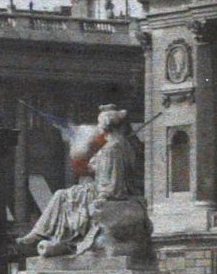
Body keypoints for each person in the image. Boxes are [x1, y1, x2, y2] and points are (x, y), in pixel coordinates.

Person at [19, 106, 142, 257]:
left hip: (107, 192)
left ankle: (39, 232)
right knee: (64, 194)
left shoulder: (112, 148)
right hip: (111, 189)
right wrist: (96, 164)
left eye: (99, 124)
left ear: (104, 126)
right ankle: (41, 232)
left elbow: (111, 182)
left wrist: (101, 191)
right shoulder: (121, 145)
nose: (98, 127)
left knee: (61, 195)